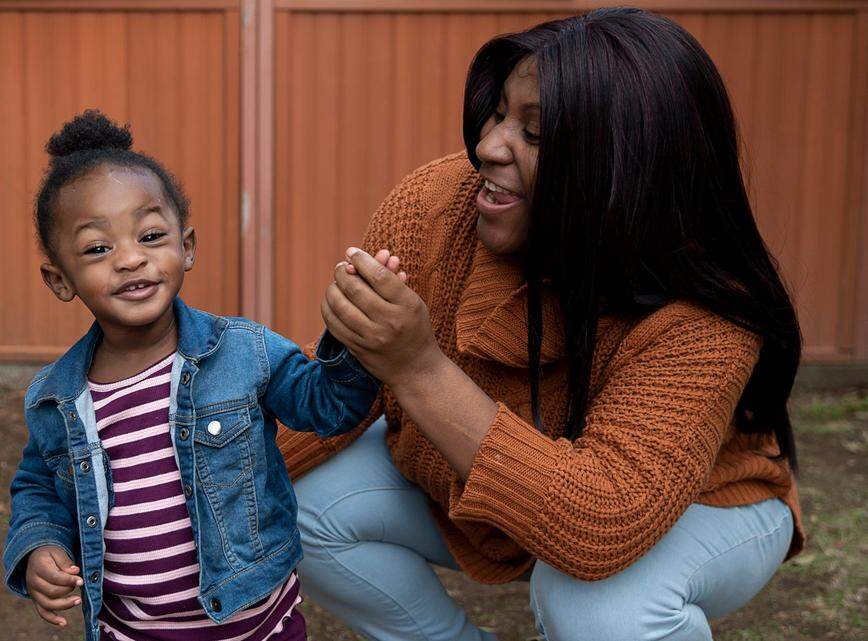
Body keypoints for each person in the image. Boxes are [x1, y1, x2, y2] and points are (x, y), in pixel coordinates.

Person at [279, 8, 805, 641]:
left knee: (596, 606)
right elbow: (343, 399)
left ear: (628, 168)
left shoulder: (705, 317)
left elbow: (600, 522)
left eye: (535, 133)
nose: (487, 146)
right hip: (491, 494)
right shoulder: (436, 203)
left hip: (701, 507)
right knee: (286, 506)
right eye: (499, 113)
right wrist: (205, 468)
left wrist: (416, 366)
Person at [1, 110, 383, 641]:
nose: (131, 259)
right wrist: (41, 543)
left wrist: (353, 335)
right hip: (132, 631)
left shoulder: (243, 351)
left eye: (151, 235)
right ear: (59, 279)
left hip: (257, 627)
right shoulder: (59, 397)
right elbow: (38, 485)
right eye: (97, 248)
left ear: (187, 247)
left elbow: (330, 407)